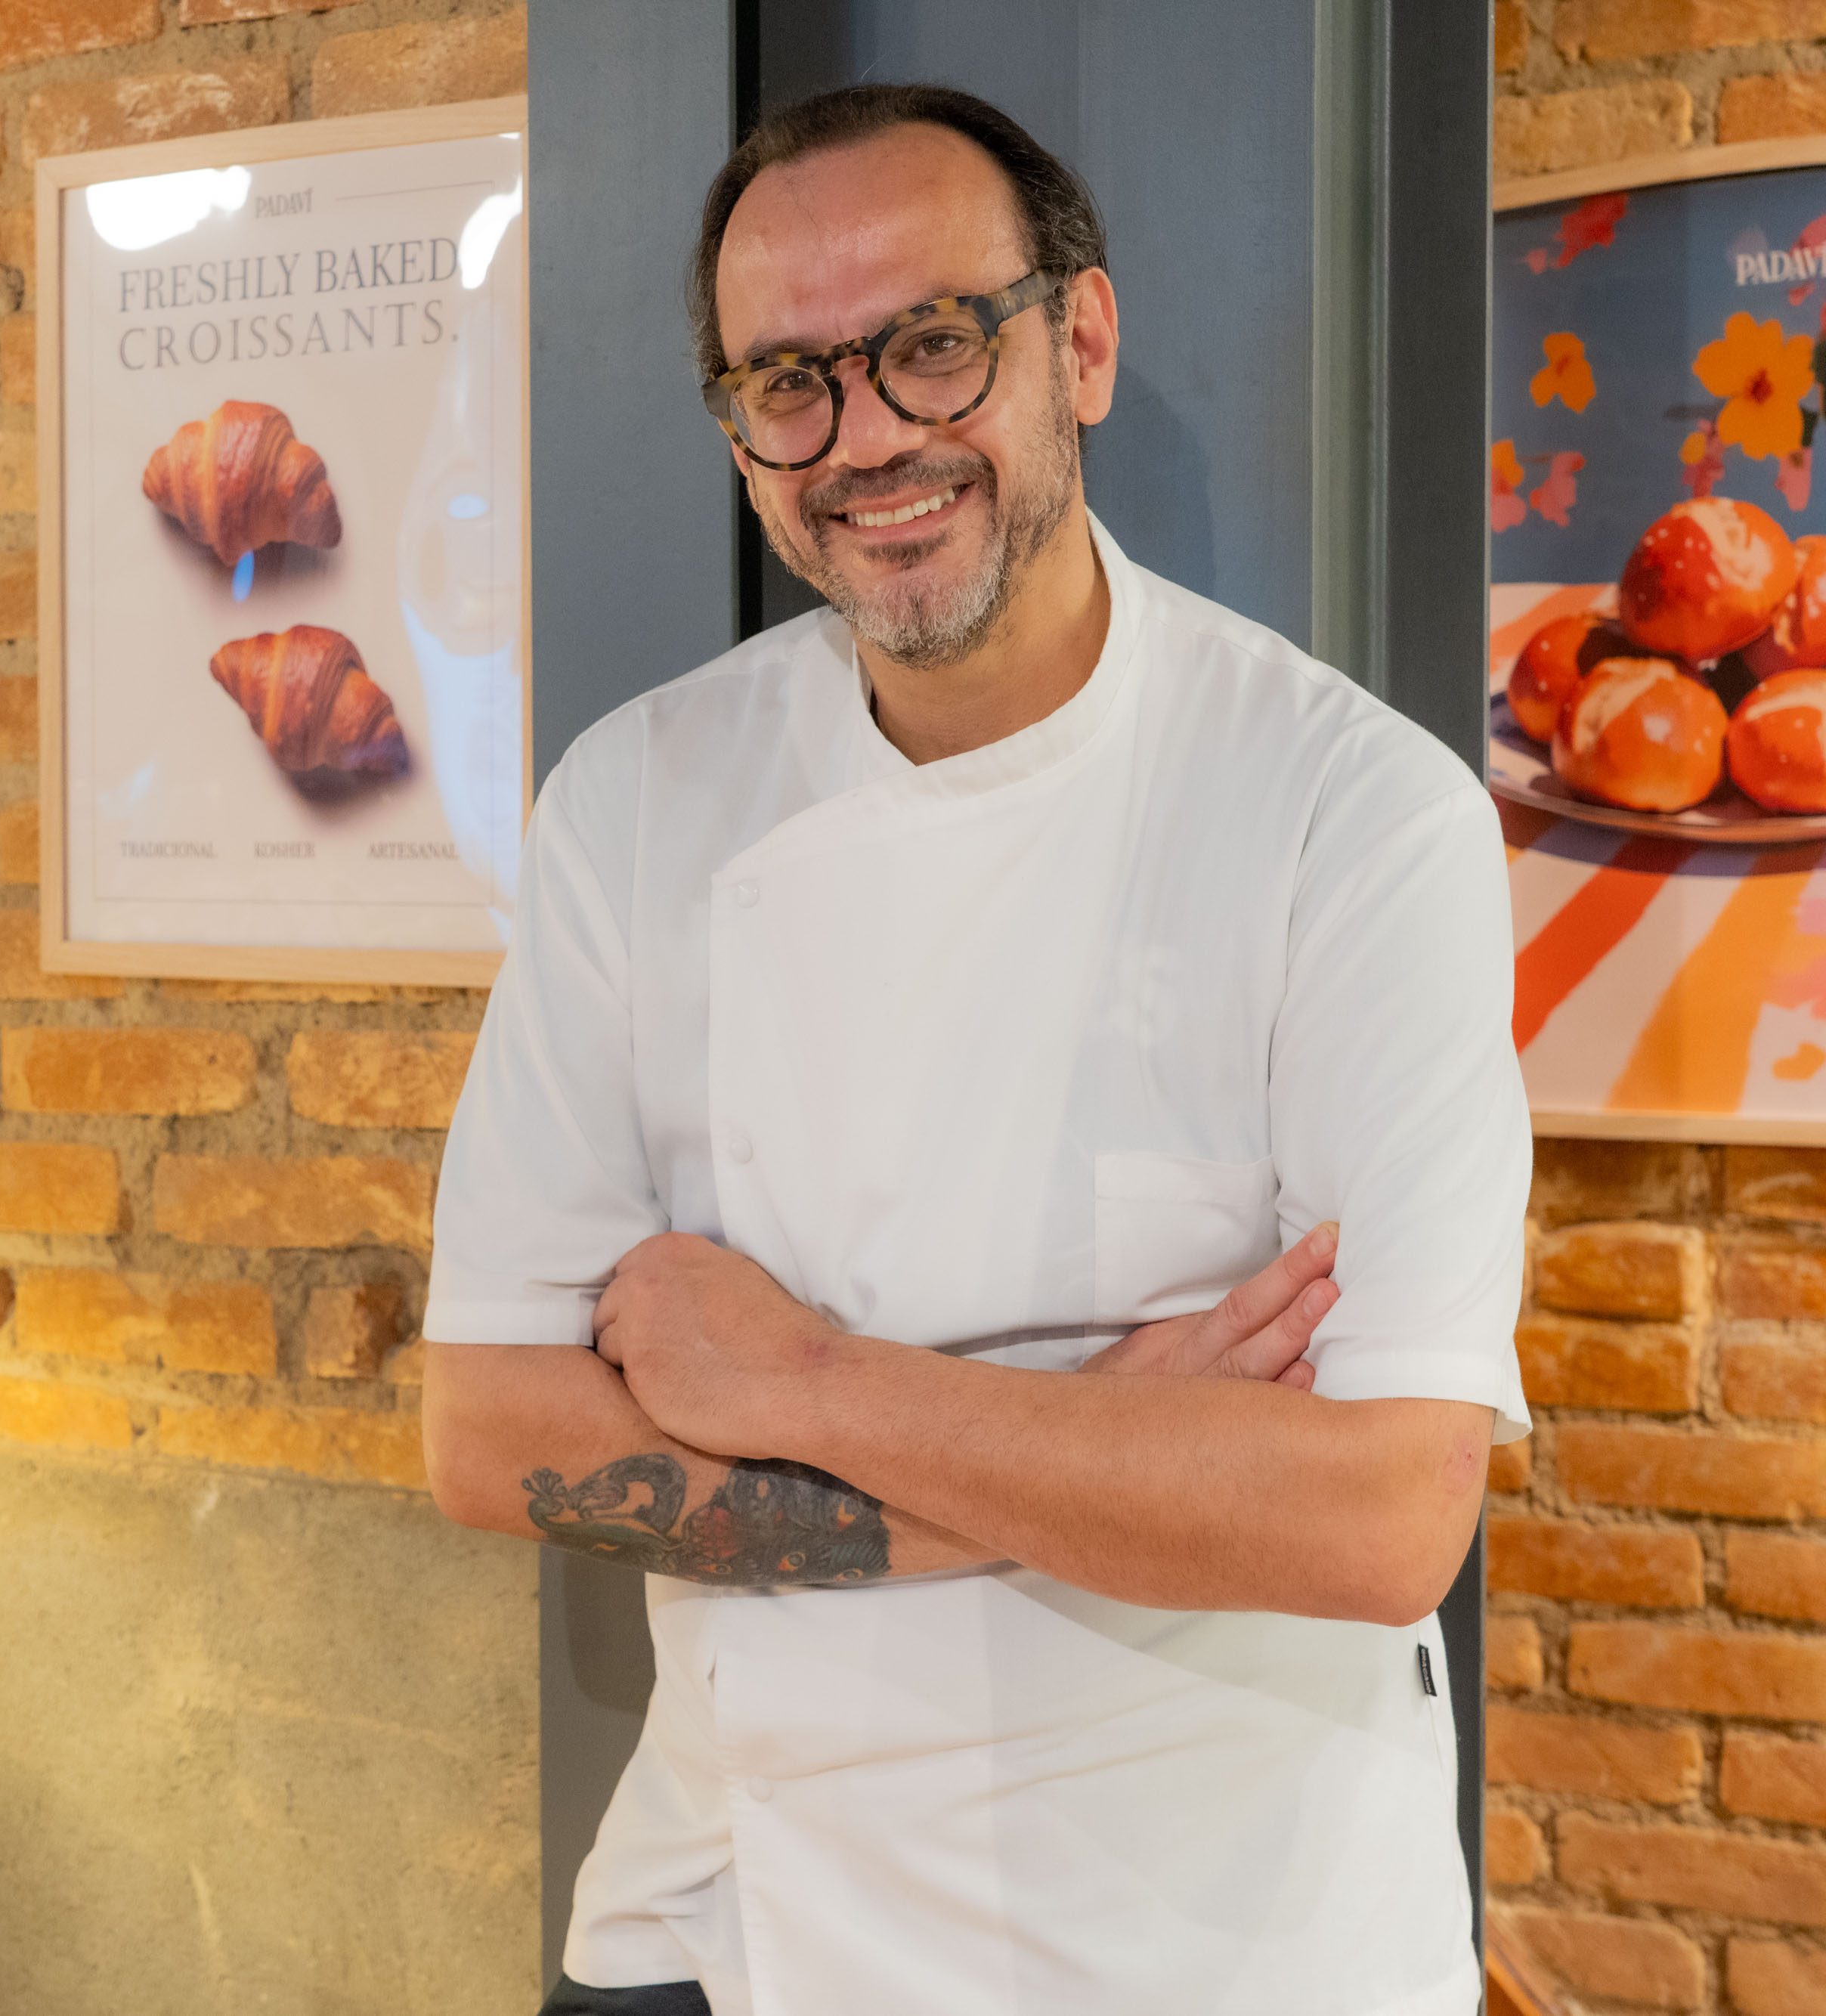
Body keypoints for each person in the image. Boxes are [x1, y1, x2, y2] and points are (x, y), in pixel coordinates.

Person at [422, 83, 1526, 2016]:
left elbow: (1373, 1517)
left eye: (930, 344)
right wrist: (1123, 1442)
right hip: (736, 1916)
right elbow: (491, 1433)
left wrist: (795, 1379)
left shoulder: (1347, 815)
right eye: (787, 383)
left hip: (1213, 1946)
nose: (864, 438)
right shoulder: (636, 798)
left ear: (1075, 344)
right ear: (739, 434)